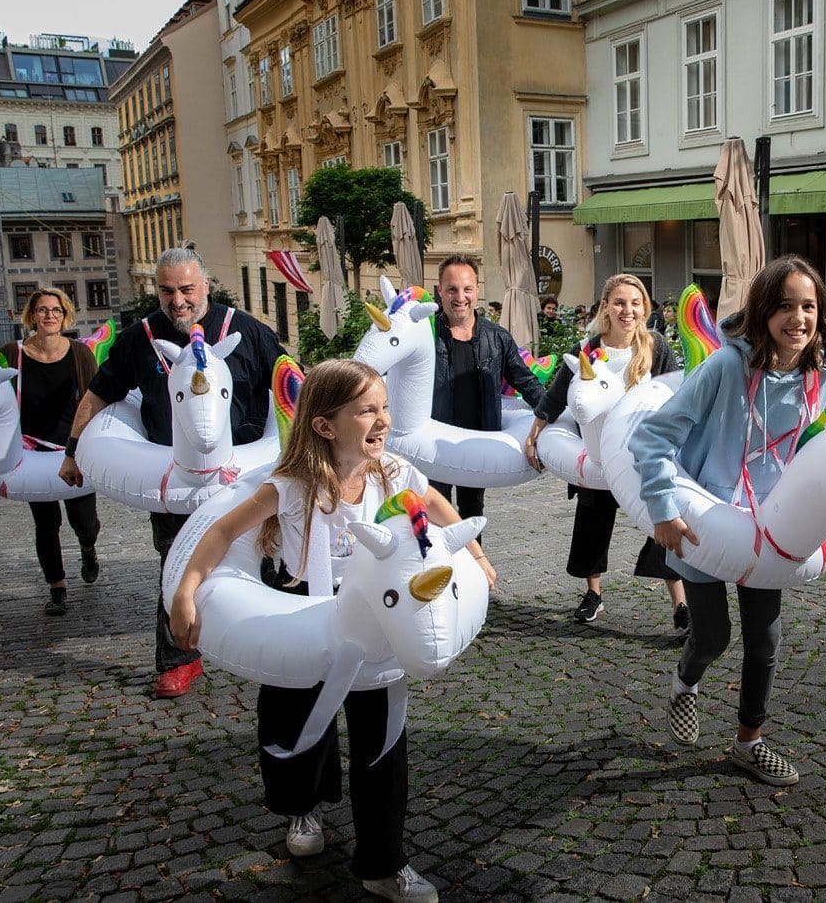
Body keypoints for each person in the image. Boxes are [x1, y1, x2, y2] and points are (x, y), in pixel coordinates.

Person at [169, 360, 493, 899]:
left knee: (383, 746)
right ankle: (302, 809)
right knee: (293, 730)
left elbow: (436, 505)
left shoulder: (394, 473)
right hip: (303, 612)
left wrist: (475, 554)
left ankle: (383, 864)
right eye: (367, 410)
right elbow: (225, 529)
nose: (383, 419)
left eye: (385, 406)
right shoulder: (291, 486)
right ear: (324, 425)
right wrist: (185, 591)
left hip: (376, 617)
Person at [632, 255, 826, 787]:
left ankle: (748, 743)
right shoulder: (726, 367)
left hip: (773, 529)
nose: (797, 318)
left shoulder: (822, 385)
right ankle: (686, 683)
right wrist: (663, 510)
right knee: (713, 636)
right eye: (784, 306)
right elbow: (652, 437)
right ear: (761, 311)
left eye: (808, 306)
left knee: (765, 639)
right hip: (707, 524)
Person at [61, 247, 286, 699]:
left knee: (268, 559)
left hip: (246, 474)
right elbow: (99, 394)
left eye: (187, 289)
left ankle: (275, 647)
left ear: (206, 284)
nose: (178, 300)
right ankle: (179, 659)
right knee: (176, 562)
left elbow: (289, 387)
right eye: (167, 291)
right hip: (173, 479)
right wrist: (72, 452)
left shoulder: (248, 332)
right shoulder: (139, 338)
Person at [524, 274, 686, 627]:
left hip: (640, 455)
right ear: (606, 308)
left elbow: (674, 392)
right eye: (619, 303)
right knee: (592, 524)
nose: (628, 310)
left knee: (661, 518)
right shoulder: (587, 350)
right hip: (596, 455)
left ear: (644, 307)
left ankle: (680, 605)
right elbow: (555, 395)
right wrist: (535, 432)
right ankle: (593, 594)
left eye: (635, 303)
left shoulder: (656, 347)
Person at [0, 288, 101, 617]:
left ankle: (88, 547)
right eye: (42, 310)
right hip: (30, 449)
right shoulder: (13, 353)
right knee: (46, 521)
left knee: (84, 520)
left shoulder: (80, 354)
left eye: (56, 310)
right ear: (32, 316)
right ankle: (57, 587)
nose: (49, 316)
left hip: (71, 446)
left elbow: (95, 395)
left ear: (65, 315)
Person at [431, 255, 547, 525]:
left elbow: (526, 381)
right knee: (438, 516)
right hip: (435, 443)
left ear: (477, 289)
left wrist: (551, 413)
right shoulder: (425, 334)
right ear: (440, 291)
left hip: (478, 443)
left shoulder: (497, 337)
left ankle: (474, 566)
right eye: (452, 289)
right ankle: (442, 567)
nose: (460, 297)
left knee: (472, 513)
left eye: (467, 288)